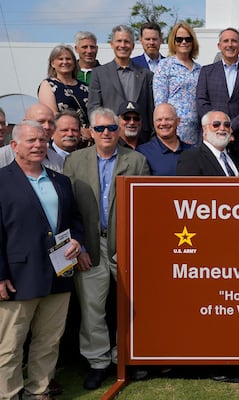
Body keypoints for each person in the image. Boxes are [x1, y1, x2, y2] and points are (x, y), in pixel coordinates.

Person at [63, 107, 149, 390]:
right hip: (89, 244)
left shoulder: (136, 160)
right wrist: (80, 246)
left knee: (132, 306)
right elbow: (68, 208)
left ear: (119, 129)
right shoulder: (75, 161)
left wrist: (131, 245)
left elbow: (145, 210)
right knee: (91, 307)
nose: (106, 133)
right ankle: (98, 362)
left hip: (124, 244)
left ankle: (126, 357)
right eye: (100, 129)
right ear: (90, 132)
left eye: (111, 128)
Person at [0, 120, 83, 400]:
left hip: (58, 273)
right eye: (30, 141)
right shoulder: (1, 180)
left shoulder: (60, 180)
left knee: (48, 340)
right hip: (17, 276)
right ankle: (8, 394)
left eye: (42, 140)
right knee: (10, 344)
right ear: (14, 146)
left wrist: (77, 240)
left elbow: (73, 219)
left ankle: (39, 390)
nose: (38, 145)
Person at [197, 27, 239, 166]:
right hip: (213, 140)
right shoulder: (207, 71)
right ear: (219, 46)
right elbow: (201, 101)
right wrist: (218, 126)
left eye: (234, 41)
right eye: (226, 41)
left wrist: (232, 126)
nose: (230, 45)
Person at [88, 25, 154, 144]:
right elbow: (94, 108)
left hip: (140, 140)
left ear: (133, 46)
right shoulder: (99, 74)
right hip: (110, 138)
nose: (122, 45)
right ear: (111, 44)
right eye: (119, 41)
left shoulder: (146, 75)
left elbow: (150, 110)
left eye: (127, 41)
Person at [153, 21, 201, 146]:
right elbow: (160, 101)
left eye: (187, 39)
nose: (183, 42)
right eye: (179, 39)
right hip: (174, 129)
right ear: (173, 42)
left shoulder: (200, 69)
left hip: (196, 130)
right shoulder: (165, 65)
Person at [0, 103, 64, 172]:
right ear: (24, 122)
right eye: (41, 121)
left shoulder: (57, 160)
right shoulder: (4, 156)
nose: (47, 127)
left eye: (51, 122)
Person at [38, 44, 89, 129]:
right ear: (53, 63)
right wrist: (78, 130)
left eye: (68, 59)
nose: (65, 62)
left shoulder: (85, 87)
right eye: (60, 59)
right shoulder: (48, 85)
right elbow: (52, 114)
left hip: (89, 136)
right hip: (64, 133)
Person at [176, 111, 238, 176]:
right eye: (216, 124)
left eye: (226, 125)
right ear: (205, 129)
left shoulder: (233, 156)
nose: (222, 128)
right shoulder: (191, 157)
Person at [137, 103, 193, 176]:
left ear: (178, 121)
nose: (163, 123)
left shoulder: (193, 152)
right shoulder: (142, 153)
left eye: (168, 119)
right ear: (153, 123)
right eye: (159, 120)